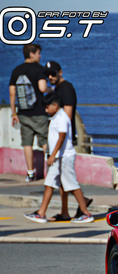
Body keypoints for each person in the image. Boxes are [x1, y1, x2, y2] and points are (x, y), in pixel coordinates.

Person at [23, 93, 93, 224]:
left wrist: (53, 155)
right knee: (50, 183)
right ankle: (41, 213)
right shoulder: (56, 117)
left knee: (71, 184)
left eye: (47, 107)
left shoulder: (61, 117)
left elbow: (61, 137)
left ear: (55, 105)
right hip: (58, 157)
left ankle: (85, 213)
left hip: (64, 157)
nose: (45, 110)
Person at [44, 60, 92, 221]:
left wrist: (61, 143)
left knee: (68, 178)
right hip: (61, 140)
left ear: (60, 72)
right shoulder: (58, 89)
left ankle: (83, 208)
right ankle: (65, 211)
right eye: (47, 75)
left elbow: (67, 118)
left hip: (65, 141)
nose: (50, 77)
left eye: (53, 73)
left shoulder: (67, 89)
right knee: (64, 179)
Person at [9, 43, 49, 182]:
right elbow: (42, 88)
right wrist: (51, 90)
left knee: (27, 143)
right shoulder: (40, 69)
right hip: (39, 112)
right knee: (45, 141)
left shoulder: (16, 70)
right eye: (38, 53)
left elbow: (12, 93)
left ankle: (30, 173)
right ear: (32, 54)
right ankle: (51, 170)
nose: (40, 55)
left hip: (23, 113)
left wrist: (14, 113)